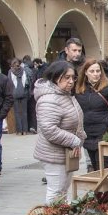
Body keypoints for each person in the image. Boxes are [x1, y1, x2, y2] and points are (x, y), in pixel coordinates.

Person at [33, 61, 86, 204]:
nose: (71, 81)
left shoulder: (65, 94)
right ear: (55, 77)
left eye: (73, 77)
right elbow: (49, 129)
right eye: (66, 77)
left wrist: (80, 137)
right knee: (56, 191)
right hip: (53, 153)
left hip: (66, 151)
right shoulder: (49, 99)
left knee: (62, 190)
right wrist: (74, 140)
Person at [75, 58, 108, 171]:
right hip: (87, 131)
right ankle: (99, 182)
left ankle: (104, 182)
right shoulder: (80, 88)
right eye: (92, 71)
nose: (96, 74)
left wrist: (107, 121)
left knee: (101, 164)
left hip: (103, 130)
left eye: (98, 71)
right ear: (86, 72)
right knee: (94, 163)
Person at [9, 58, 31, 135]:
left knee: (17, 112)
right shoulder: (23, 70)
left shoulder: (10, 71)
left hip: (14, 93)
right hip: (23, 93)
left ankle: (19, 131)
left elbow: (10, 82)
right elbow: (26, 81)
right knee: (24, 112)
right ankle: (25, 131)